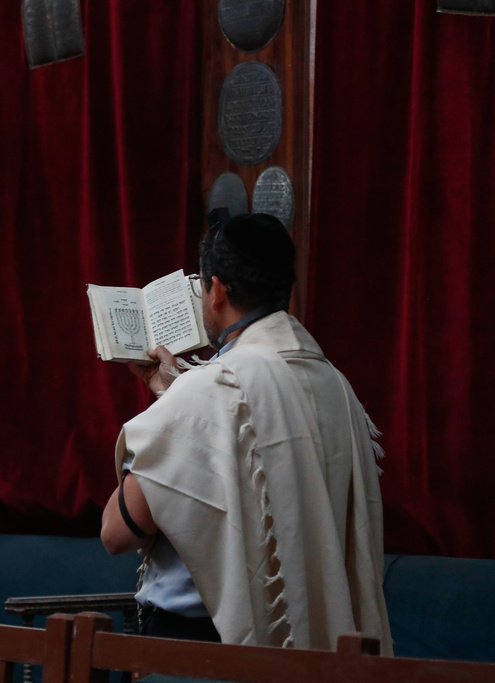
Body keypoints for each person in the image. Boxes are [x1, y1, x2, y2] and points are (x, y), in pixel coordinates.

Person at [100, 212, 393, 654]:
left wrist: (178, 410)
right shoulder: (332, 381)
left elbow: (117, 532)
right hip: (313, 644)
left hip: (205, 647)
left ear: (216, 289)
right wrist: (172, 396)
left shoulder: (214, 388)